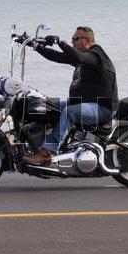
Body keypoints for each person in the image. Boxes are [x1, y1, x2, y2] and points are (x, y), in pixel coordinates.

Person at [24, 26, 118, 166]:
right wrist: (34, 45)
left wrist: (60, 42)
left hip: (101, 107)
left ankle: (47, 152)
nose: (72, 41)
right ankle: (34, 144)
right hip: (83, 102)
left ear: (86, 40)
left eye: (75, 38)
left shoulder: (96, 56)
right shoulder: (84, 59)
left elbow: (77, 56)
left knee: (69, 112)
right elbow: (56, 56)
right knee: (44, 105)